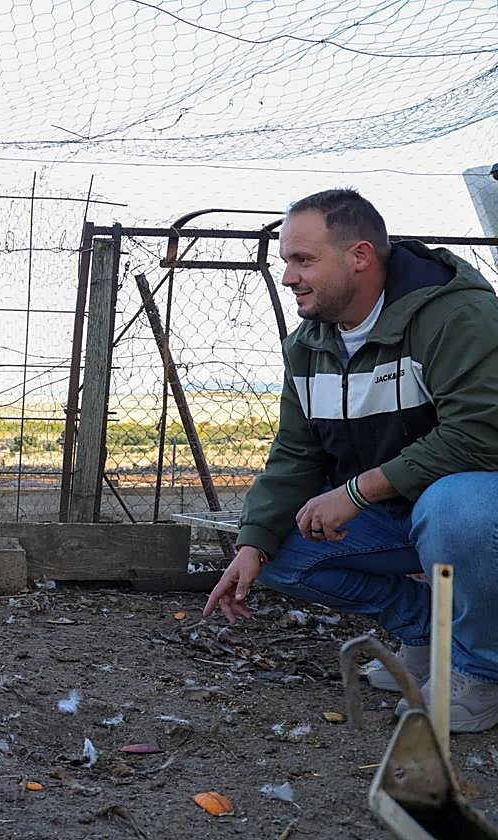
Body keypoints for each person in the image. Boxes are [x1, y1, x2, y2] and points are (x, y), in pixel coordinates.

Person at [202, 188, 498, 732]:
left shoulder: (457, 315)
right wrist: (251, 544)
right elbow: (296, 453)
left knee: (459, 509)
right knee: (277, 549)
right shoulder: (309, 344)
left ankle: (480, 671)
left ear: (359, 256)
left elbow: (484, 436)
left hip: (476, 510)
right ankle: (426, 630)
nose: (289, 276)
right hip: (398, 514)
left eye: (303, 259)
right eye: (287, 261)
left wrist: (357, 493)